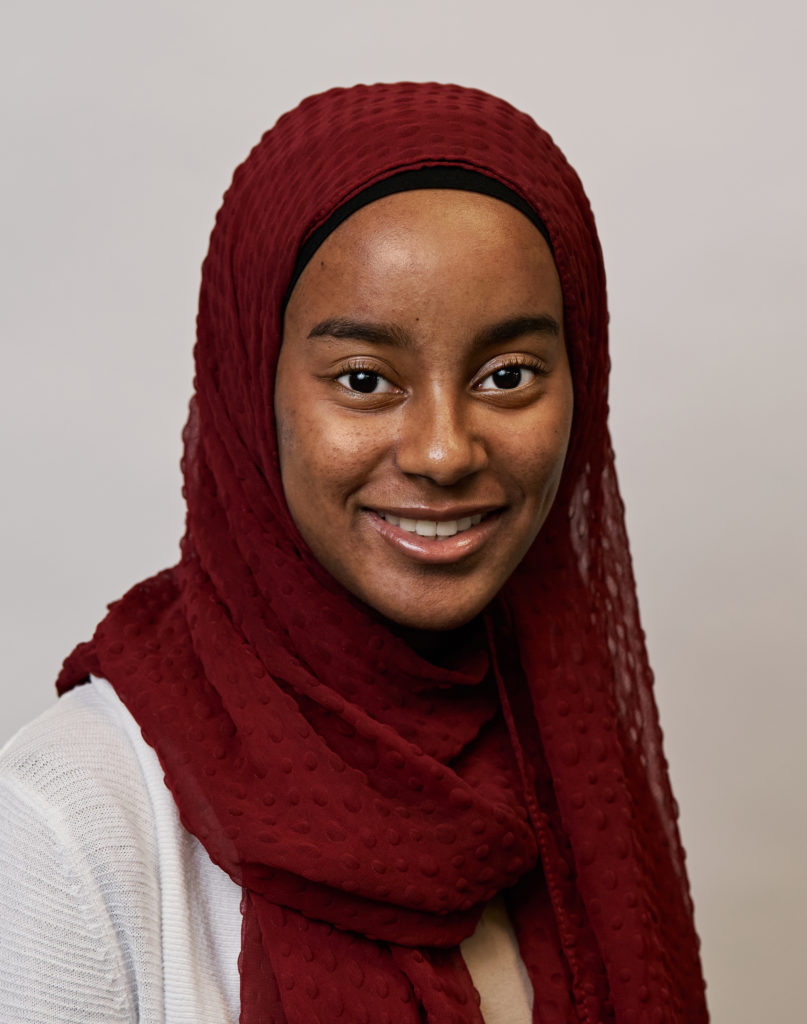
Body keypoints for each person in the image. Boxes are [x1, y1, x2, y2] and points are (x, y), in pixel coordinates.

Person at [0, 82, 708, 1023]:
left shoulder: (564, 759)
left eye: (507, 375)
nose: (444, 452)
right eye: (366, 380)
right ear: (252, 390)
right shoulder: (70, 825)